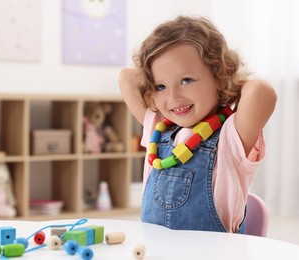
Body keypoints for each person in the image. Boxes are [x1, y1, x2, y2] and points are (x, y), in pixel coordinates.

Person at [118, 15, 277, 233]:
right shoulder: (158, 127)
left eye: (186, 80)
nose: (173, 97)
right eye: (161, 86)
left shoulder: (230, 137)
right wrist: (157, 80)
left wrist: (227, 84)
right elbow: (127, 77)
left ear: (219, 77)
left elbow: (261, 92)